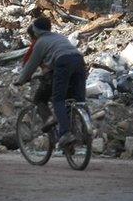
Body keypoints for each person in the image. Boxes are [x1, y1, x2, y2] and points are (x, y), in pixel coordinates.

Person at [14, 16, 86, 148]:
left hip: (63, 64)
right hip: (79, 61)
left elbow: (30, 65)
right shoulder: (59, 37)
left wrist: (20, 80)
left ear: (35, 32)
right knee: (79, 100)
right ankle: (86, 131)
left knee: (58, 98)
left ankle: (64, 133)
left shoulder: (40, 43)